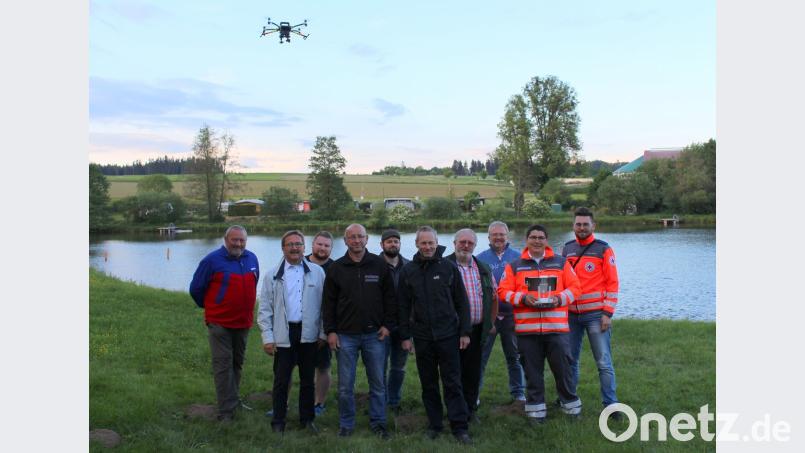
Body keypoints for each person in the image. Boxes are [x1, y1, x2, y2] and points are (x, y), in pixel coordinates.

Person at [497, 224, 582, 424]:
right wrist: (522, 298)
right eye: (533, 237)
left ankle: (571, 408)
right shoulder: (515, 266)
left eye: (540, 237)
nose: (537, 241)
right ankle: (536, 413)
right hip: (527, 332)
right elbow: (502, 291)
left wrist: (559, 299)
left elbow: (576, 288)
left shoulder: (561, 263)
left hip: (557, 330)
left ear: (546, 240)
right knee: (533, 374)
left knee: (563, 371)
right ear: (527, 241)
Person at [398, 226, 473, 444]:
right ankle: (435, 424)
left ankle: (459, 426)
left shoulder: (449, 268)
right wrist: (405, 336)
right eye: (423, 243)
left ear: (437, 242)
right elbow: (403, 306)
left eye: (431, 243)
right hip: (422, 337)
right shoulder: (408, 271)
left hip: (448, 334)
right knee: (428, 383)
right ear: (417, 244)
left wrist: (465, 332)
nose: (428, 247)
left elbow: (462, 302)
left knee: (453, 382)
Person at [322, 224, 397, 439]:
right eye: (351, 237)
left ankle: (379, 423)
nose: (356, 241)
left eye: (360, 237)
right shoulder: (337, 268)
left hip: (376, 335)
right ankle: (346, 424)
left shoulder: (379, 265)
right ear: (345, 241)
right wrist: (331, 331)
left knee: (378, 384)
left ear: (367, 239)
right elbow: (328, 304)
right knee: (345, 386)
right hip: (345, 335)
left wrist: (387, 325)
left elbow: (390, 299)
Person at [189, 225, 259, 422]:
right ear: (225, 240)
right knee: (223, 365)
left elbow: (254, 283)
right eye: (234, 240)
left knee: (237, 363)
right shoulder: (211, 261)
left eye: (241, 240)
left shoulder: (252, 258)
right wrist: (213, 306)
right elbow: (196, 289)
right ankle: (225, 411)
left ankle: (234, 401)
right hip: (220, 323)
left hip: (243, 322)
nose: (238, 244)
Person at [258, 230, 325, 434]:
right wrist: (268, 338)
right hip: (283, 334)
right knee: (281, 380)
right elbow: (265, 310)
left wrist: (322, 332)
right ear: (283, 248)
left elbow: (325, 306)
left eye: (299, 244)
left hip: (309, 334)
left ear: (304, 247)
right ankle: (278, 420)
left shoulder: (317, 272)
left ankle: (307, 419)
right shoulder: (272, 275)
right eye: (290, 244)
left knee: (307, 380)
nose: (295, 248)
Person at [561, 207, 621, 420]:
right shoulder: (566, 249)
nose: (582, 227)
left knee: (603, 361)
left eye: (586, 224)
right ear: (573, 226)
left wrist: (607, 313)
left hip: (596, 315)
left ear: (593, 226)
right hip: (571, 316)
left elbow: (613, 283)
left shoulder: (604, 249)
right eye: (578, 224)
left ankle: (611, 405)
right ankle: (570, 400)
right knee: (570, 360)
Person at [446, 228, 498, 424]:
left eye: (470, 242)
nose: (466, 246)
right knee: (453, 373)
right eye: (462, 242)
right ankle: (454, 412)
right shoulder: (444, 266)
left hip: (476, 331)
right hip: (451, 331)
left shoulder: (483, 268)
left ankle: (470, 410)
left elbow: (494, 297)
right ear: (455, 243)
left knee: (473, 373)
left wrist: (491, 322)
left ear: (476, 245)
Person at [476, 221, 526, 404]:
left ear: (507, 236)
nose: (498, 238)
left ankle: (518, 393)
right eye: (494, 235)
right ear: (489, 237)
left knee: (514, 356)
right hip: (488, 315)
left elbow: (525, 285)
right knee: (481, 356)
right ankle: (475, 393)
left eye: (501, 235)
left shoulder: (518, 257)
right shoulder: (480, 258)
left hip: (512, 315)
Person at [378, 229, 410, 415]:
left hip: (403, 326)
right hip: (381, 326)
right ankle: (379, 401)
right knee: (379, 367)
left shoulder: (408, 265)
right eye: (389, 241)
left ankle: (394, 401)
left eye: (396, 241)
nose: (393, 244)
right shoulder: (374, 265)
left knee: (399, 367)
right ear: (382, 245)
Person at [305, 231, 335, 417]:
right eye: (320, 244)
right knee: (287, 366)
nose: (322, 248)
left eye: (326, 246)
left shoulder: (335, 268)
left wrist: (325, 331)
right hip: (297, 326)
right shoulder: (299, 263)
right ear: (313, 245)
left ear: (331, 249)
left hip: (323, 326)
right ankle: (281, 403)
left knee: (322, 366)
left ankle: (319, 403)